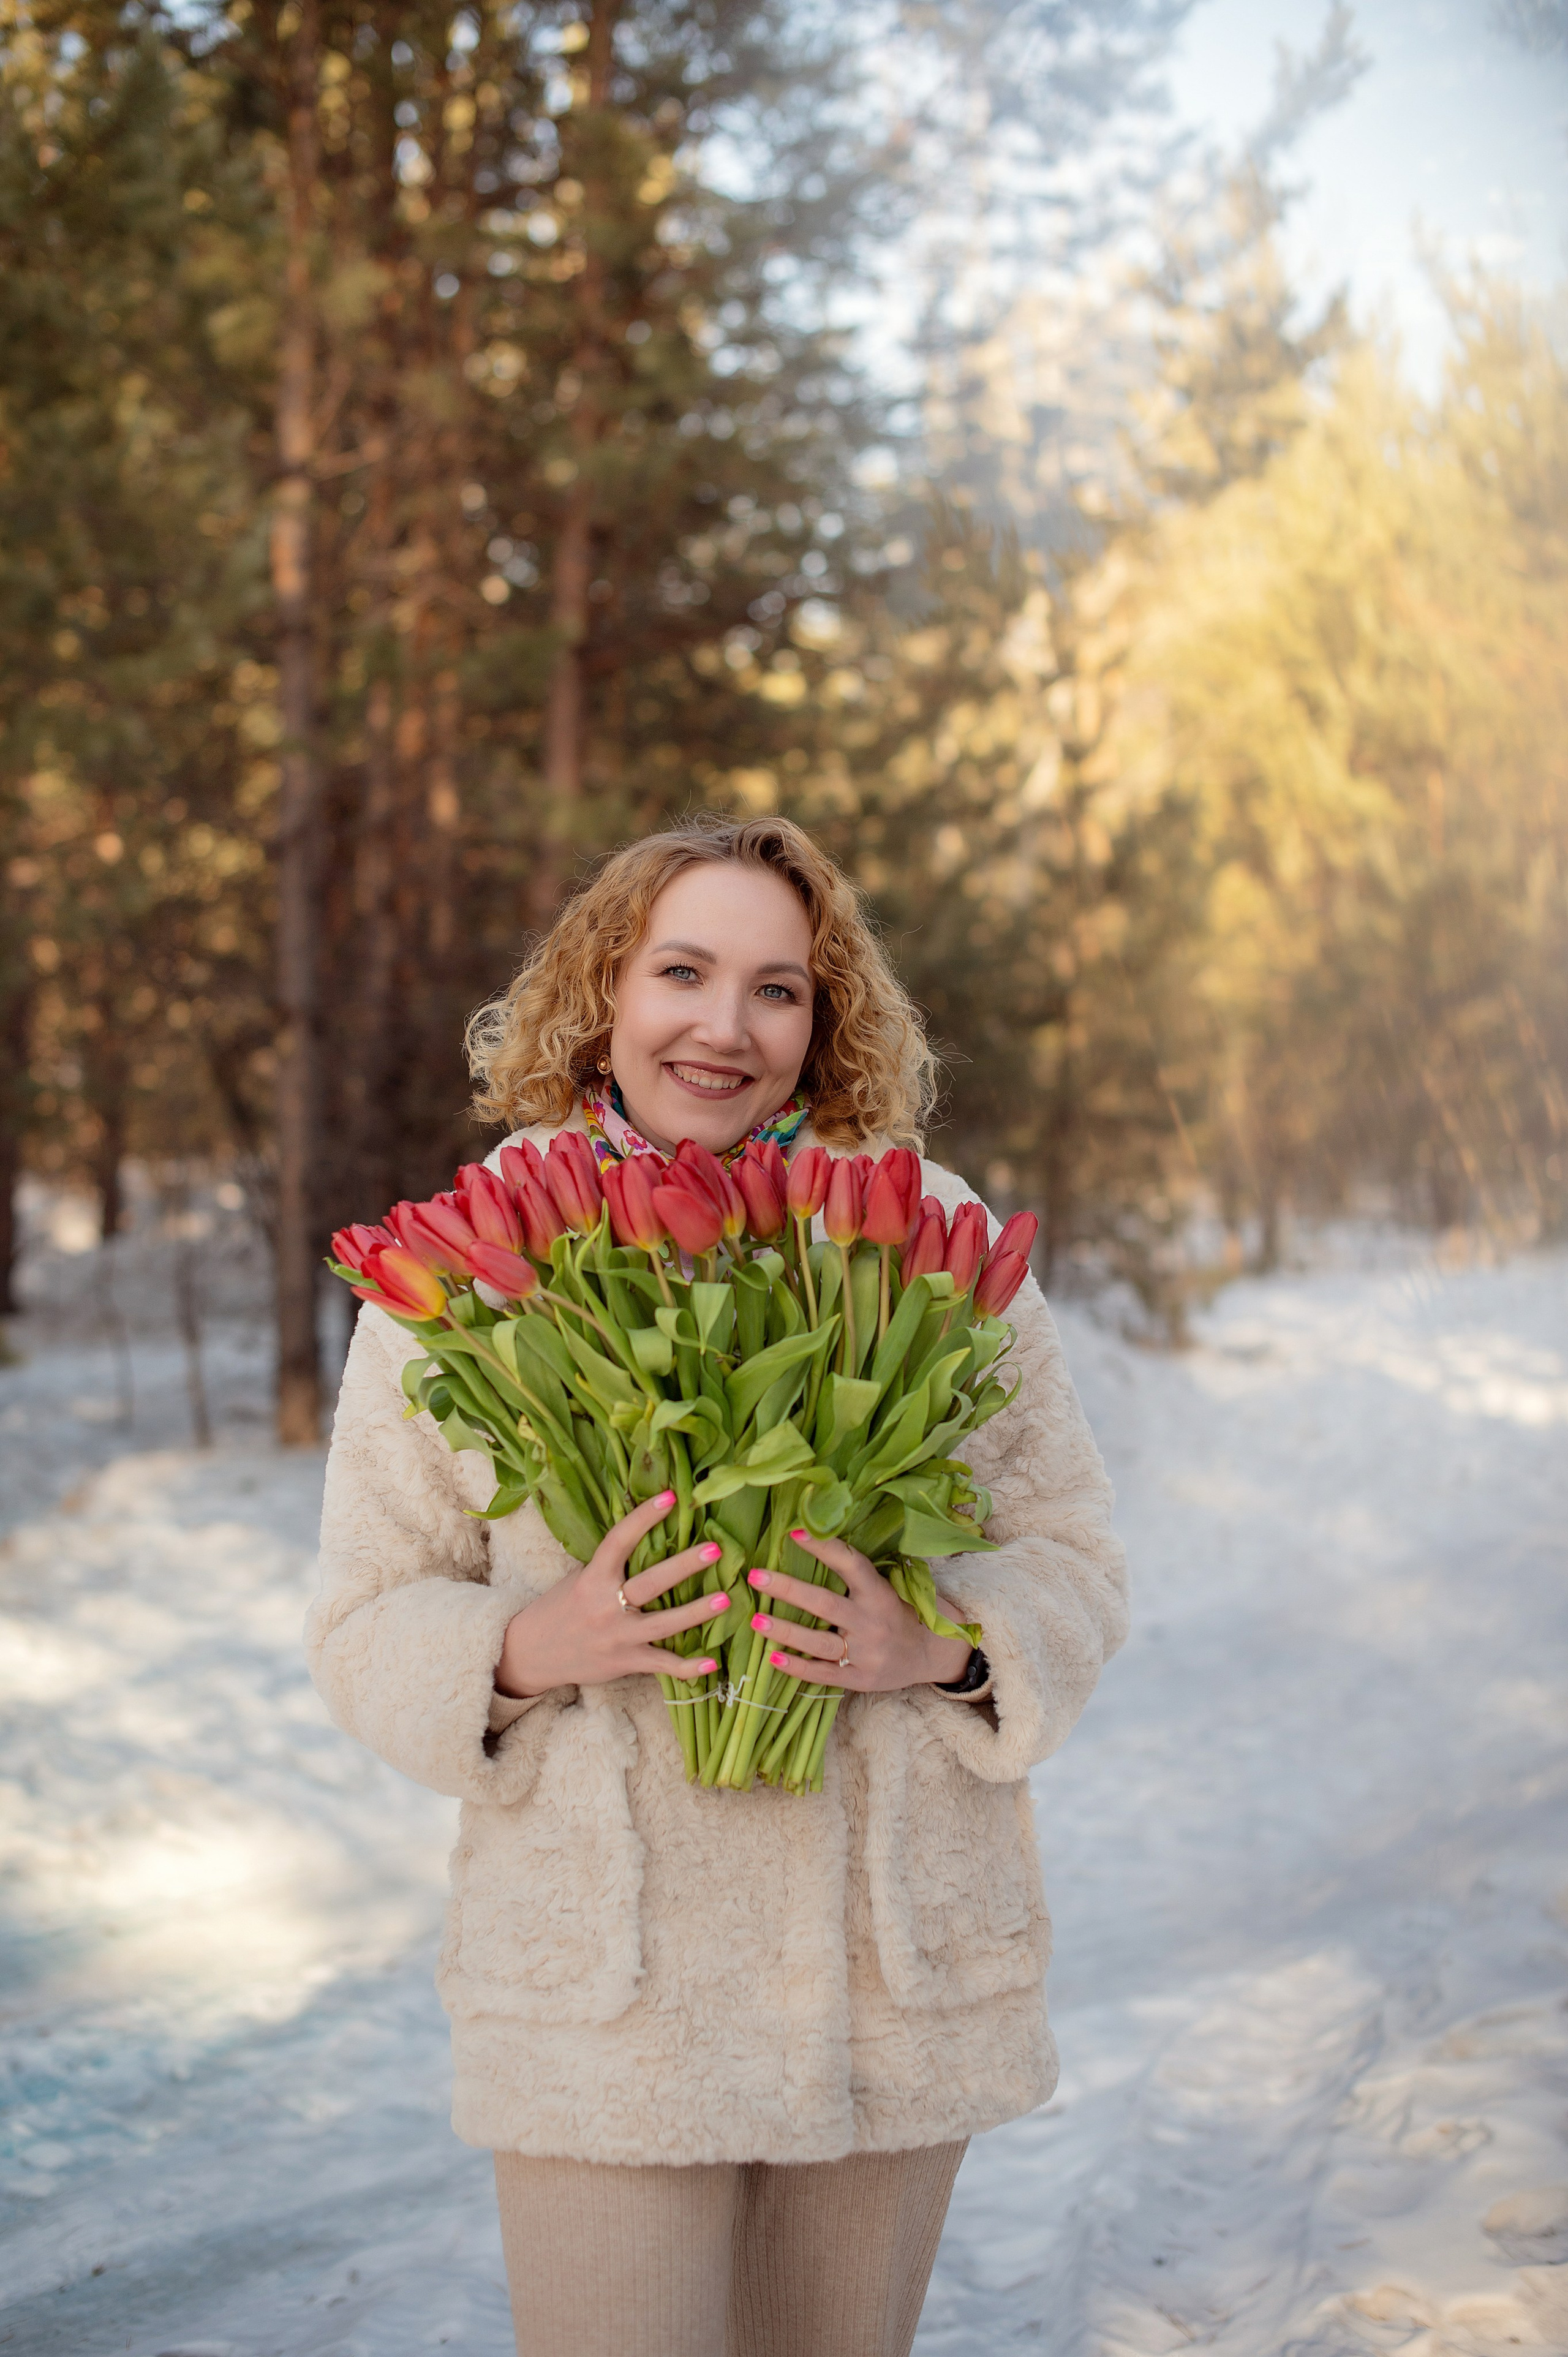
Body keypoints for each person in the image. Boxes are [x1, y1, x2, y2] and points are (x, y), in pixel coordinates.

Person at [306, 814, 1126, 2357]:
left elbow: (1069, 1550)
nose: (724, 1025)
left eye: (778, 988)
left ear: (823, 1023)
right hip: (610, 1991)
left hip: (884, 1968)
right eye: (684, 971)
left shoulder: (918, 1227)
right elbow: (361, 1617)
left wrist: (940, 1649)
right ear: (604, 989)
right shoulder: (482, 1247)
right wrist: (528, 1644)